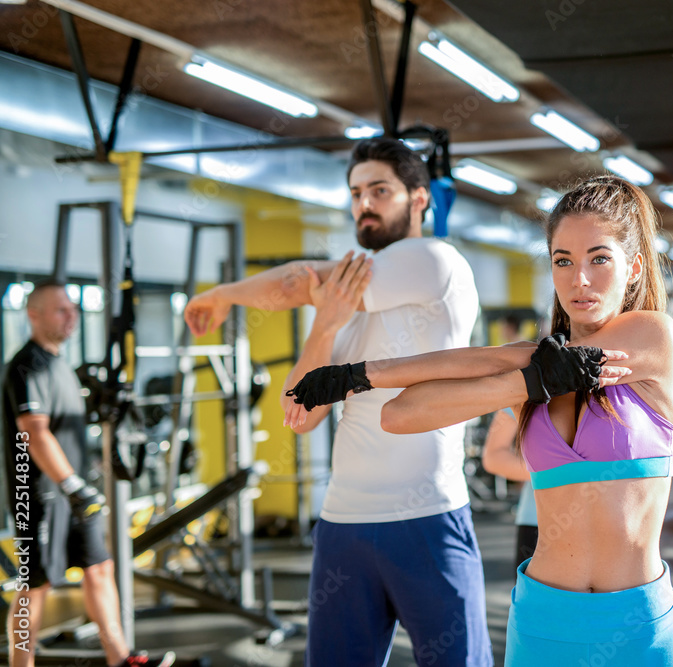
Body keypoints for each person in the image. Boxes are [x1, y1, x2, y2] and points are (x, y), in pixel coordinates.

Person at [284, 175, 673, 665]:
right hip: (544, 622)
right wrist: (359, 375)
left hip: (639, 627)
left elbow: (500, 358)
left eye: (599, 258)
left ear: (635, 269)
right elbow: (400, 415)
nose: (579, 279)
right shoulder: (537, 372)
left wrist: (522, 371)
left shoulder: (655, 337)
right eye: (563, 261)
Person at [183, 137, 490, 666]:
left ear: (419, 199)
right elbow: (301, 415)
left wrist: (221, 295)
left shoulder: (433, 259)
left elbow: (298, 281)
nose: (364, 204)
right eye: (355, 193)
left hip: (427, 515)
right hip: (345, 522)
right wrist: (324, 325)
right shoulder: (344, 307)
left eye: (379, 190)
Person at [2, 282, 175, 667]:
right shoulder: (25, 366)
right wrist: (70, 484)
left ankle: (120, 658)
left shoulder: (62, 364)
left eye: (73, 309)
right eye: (61, 309)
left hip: (74, 491)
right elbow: (34, 431)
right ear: (34, 314)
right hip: (40, 494)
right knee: (35, 585)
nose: (72, 316)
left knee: (100, 568)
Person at [480, 407, 537, 574]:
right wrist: (556, 474)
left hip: (610, 522)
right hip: (540, 524)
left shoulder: (617, 388)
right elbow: (494, 457)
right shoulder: (533, 384)